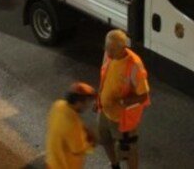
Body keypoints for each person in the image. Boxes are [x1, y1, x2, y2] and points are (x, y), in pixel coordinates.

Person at [97, 30, 150, 169]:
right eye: (106, 48)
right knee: (106, 140)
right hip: (104, 111)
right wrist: (99, 100)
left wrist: (125, 101)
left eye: (112, 50)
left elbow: (143, 95)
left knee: (127, 150)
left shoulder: (134, 65)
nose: (108, 53)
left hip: (121, 118)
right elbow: (104, 76)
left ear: (123, 48)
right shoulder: (109, 55)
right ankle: (115, 166)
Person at [45, 82, 97, 169]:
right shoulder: (72, 123)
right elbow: (78, 150)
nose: (88, 106)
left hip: (52, 162)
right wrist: (92, 143)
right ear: (79, 102)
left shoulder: (58, 105)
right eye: (87, 102)